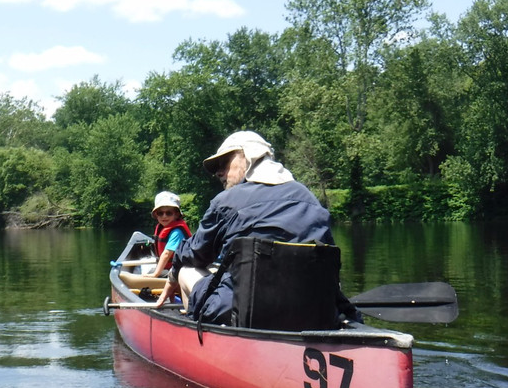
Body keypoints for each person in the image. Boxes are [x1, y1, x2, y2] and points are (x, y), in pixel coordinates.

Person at [156, 131, 359, 326]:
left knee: (186, 270)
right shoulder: (310, 199)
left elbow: (195, 254)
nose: (219, 172)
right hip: (316, 311)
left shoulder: (226, 201)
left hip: (243, 311)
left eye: (224, 163)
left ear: (248, 157)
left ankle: (198, 342)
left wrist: (173, 274)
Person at [148, 191, 192, 277]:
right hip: (169, 268)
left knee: (150, 274)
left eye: (169, 213)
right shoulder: (162, 228)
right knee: (148, 272)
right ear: (156, 215)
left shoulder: (177, 232)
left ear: (176, 215)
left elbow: (166, 254)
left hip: (181, 270)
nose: (164, 216)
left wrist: (155, 274)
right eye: (160, 213)